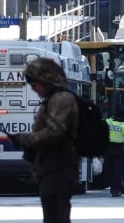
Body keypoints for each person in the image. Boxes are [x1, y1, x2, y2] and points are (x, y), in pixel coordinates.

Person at [6, 58, 79, 223]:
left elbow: (55, 132)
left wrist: (25, 139)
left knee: (56, 217)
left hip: (59, 168)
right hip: (51, 168)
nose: (34, 89)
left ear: (46, 80)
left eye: (35, 84)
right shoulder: (53, 99)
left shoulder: (61, 99)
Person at [103, 105, 124, 197]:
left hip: (108, 149)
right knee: (117, 171)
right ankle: (116, 188)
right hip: (119, 150)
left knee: (109, 170)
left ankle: (115, 188)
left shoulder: (108, 121)